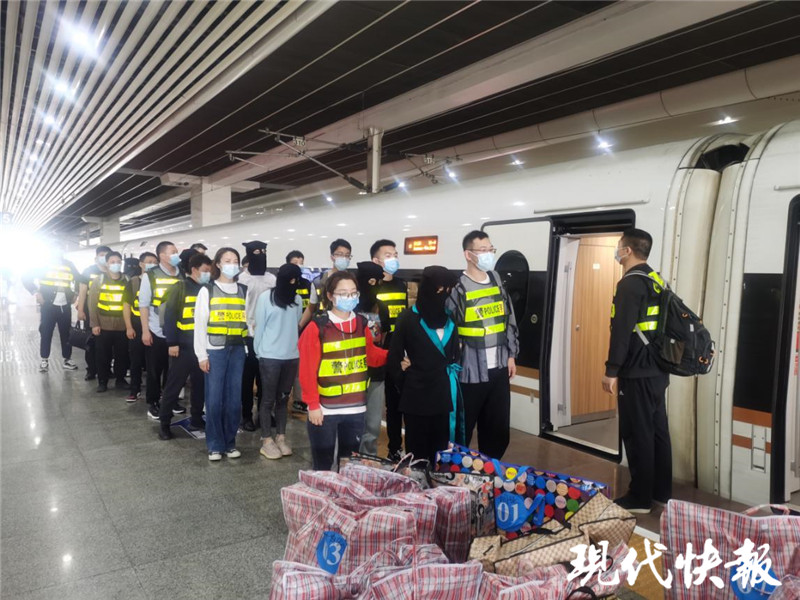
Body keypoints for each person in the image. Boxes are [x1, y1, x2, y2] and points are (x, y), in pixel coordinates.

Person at [602, 228, 672, 514]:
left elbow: (621, 332)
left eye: (619, 246)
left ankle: (640, 498)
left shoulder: (629, 284)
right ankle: (662, 492)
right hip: (657, 369)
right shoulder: (657, 280)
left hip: (636, 371)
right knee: (658, 431)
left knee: (637, 432)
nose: (617, 251)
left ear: (627, 250)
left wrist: (612, 370)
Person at [298, 271, 388, 470]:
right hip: (325, 410)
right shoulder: (317, 327)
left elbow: (371, 356)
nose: (350, 297)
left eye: (353, 293)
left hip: (356, 409)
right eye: (343, 293)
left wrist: (395, 356)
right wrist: (312, 405)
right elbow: (306, 371)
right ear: (330, 296)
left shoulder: (362, 324)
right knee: (323, 466)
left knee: (348, 466)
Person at [447, 230, 519, 460]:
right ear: (468, 255)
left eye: (491, 249)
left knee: (498, 429)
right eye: (483, 250)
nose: (489, 254)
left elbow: (509, 319)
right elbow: (448, 326)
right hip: (470, 371)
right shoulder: (458, 288)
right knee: (464, 428)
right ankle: (459, 470)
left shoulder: (497, 280)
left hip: (499, 368)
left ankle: (491, 469)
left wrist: (511, 354)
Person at [389, 266, 461, 463]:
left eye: (447, 289)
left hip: (443, 396)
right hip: (416, 398)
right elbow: (394, 358)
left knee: (440, 453)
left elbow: (455, 355)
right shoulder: (407, 318)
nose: (444, 293)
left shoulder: (450, 318)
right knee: (417, 455)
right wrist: (405, 380)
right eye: (440, 289)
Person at [194, 247, 248, 461]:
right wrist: (201, 355)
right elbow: (200, 325)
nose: (232, 264)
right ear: (218, 264)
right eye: (227, 260)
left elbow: (248, 321)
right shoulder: (207, 290)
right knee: (214, 399)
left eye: (235, 260)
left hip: (238, 350)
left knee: (234, 400)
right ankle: (215, 445)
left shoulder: (243, 290)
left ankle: (230, 442)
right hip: (215, 350)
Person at [158, 252, 212, 439]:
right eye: (205, 270)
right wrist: (172, 342)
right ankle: (164, 423)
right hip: (183, 347)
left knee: (200, 386)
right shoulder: (180, 287)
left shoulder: (209, 289)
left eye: (210, 271)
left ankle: (197, 418)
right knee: (174, 385)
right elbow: (170, 317)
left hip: (202, 348)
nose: (208, 274)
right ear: (194, 270)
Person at [254, 263, 304, 459]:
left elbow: (296, 324)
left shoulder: (297, 300)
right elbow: (260, 327)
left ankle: (281, 437)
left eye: (296, 279)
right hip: (269, 357)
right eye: (291, 279)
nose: (294, 283)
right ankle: (266, 440)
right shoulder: (266, 298)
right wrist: (259, 351)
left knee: (283, 399)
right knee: (268, 399)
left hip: (291, 357)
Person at [370, 239, 408, 461]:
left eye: (395, 255)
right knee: (373, 402)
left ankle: (395, 448)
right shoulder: (372, 286)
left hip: (397, 349)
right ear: (376, 260)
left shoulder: (402, 285)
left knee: (395, 403)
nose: (393, 259)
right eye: (388, 255)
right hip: (377, 349)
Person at [139, 241, 183, 420]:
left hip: (178, 331)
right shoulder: (151, 275)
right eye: (173, 252)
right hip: (156, 329)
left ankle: (170, 399)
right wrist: (145, 331)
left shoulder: (182, 274)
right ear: (162, 256)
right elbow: (143, 305)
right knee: (155, 370)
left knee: (174, 370)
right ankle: (153, 402)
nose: (176, 255)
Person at [22, 249, 82, 372]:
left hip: (65, 305)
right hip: (48, 305)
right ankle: (44, 359)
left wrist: (75, 293)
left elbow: (79, 278)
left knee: (66, 333)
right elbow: (26, 277)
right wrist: (36, 292)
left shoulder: (68, 265)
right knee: (46, 332)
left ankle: (67, 359)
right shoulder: (43, 264)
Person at [238, 241, 276, 431]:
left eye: (263, 252)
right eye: (256, 252)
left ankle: (264, 414)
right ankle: (246, 415)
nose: (260, 255)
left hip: (268, 335)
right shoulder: (242, 279)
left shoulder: (271, 279)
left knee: (265, 379)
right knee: (247, 378)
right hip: (248, 335)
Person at [356, 260, 390, 456]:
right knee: (352, 420)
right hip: (352, 372)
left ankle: (368, 459)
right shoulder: (348, 307)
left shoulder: (382, 308)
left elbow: (382, 340)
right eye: (371, 281)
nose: (375, 286)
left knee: (373, 423)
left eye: (378, 282)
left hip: (376, 373)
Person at [88, 251, 129, 393]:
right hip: (103, 326)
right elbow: (92, 304)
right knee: (102, 356)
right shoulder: (99, 280)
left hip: (122, 326)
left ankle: (120, 379)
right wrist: (94, 324)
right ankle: (102, 381)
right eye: (112, 262)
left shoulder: (127, 280)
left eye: (118, 262)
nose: (116, 264)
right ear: (106, 264)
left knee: (122, 355)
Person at [123, 252, 157, 402]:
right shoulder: (134, 282)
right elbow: (126, 306)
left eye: (155, 262)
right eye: (149, 261)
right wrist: (129, 327)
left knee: (153, 363)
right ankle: (134, 389)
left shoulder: (158, 281)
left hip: (154, 327)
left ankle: (154, 391)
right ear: (141, 264)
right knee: (136, 360)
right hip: (137, 326)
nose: (152, 264)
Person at [77, 245, 112, 380]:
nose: (104, 258)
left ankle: (107, 369)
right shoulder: (88, 271)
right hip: (90, 311)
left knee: (107, 343)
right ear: (96, 257)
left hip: (108, 312)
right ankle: (91, 369)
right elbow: (82, 291)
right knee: (91, 341)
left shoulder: (113, 272)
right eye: (101, 255)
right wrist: (80, 310)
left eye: (106, 255)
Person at [287, 250, 312, 413]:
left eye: (301, 262)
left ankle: (299, 399)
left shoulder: (308, 284)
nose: (299, 265)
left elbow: (311, 306)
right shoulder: (283, 283)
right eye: (295, 262)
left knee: (302, 367)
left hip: (305, 329)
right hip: (288, 330)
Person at [304, 239, 352, 321]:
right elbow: (311, 308)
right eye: (340, 254)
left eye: (347, 255)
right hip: (326, 324)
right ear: (332, 257)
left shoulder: (353, 280)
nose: (344, 258)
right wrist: (299, 326)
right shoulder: (319, 281)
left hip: (348, 322)